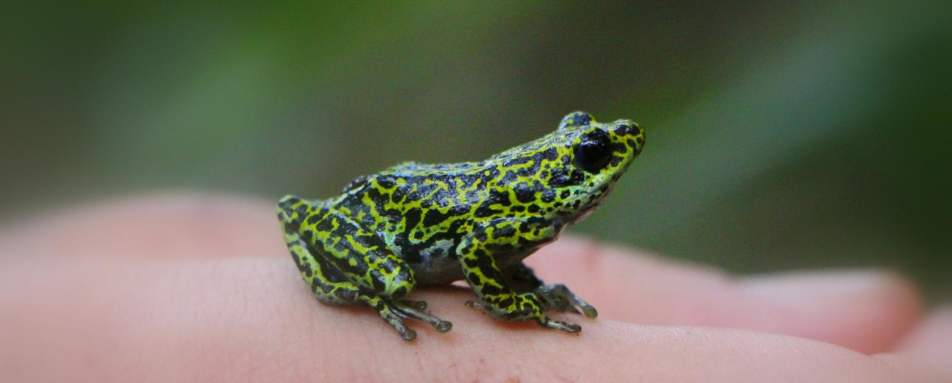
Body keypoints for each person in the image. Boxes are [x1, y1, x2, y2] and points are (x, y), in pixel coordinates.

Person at [1, 194, 948, 381]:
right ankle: (373, 288)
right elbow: (491, 265)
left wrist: (536, 286)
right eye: (586, 154)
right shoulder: (517, 209)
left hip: (413, 212)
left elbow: (499, 255)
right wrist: (528, 298)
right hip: (379, 223)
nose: (604, 164)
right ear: (562, 172)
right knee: (388, 275)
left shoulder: (524, 214)